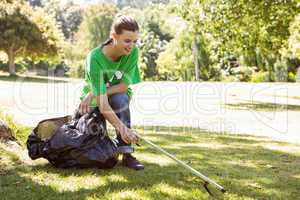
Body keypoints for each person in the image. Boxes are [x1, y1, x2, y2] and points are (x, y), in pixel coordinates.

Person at [78, 15, 144, 170]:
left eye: (135, 41)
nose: (131, 46)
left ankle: (126, 153)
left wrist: (95, 92)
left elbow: (122, 87)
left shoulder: (133, 53)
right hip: (93, 103)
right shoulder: (94, 58)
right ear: (113, 37)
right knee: (95, 151)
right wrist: (95, 94)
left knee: (120, 99)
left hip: (110, 96)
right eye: (127, 41)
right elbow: (103, 105)